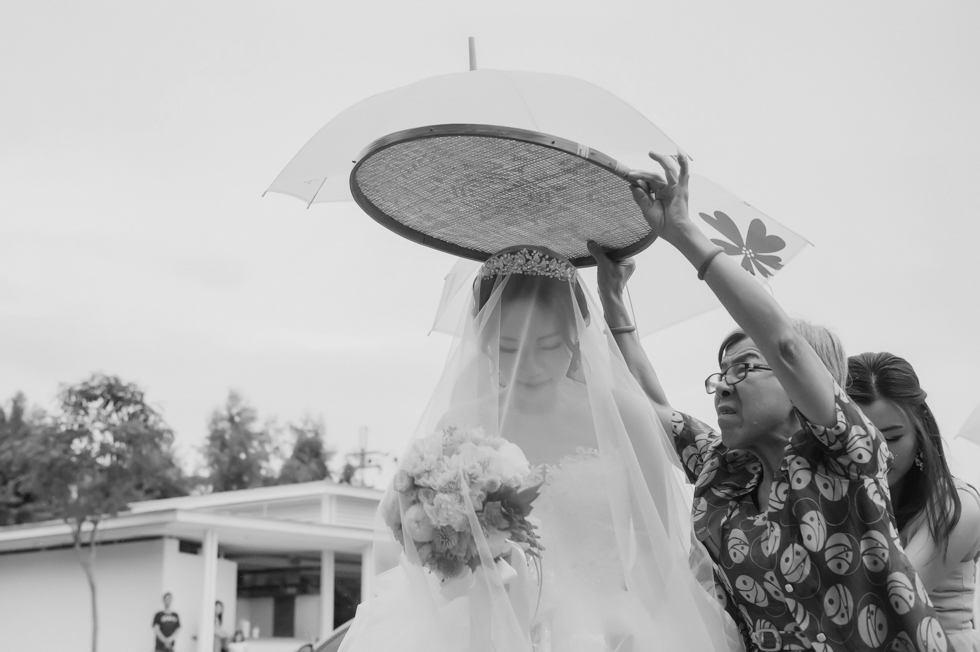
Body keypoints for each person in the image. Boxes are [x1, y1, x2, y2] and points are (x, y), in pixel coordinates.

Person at [591, 151, 953, 651]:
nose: (724, 384)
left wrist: (683, 232)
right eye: (721, 372)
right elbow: (647, 406)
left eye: (744, 368)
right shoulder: (724, 470)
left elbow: (784, 343)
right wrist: (613, 301)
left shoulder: (848, 455)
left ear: (799, 382)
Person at [339, 244, 743, 652]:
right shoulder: (459, 427)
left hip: (610, 629)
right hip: (488, 625)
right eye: (508, 348)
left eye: (549, 345)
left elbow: (658, 549)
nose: (529, 365)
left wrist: (638, 627)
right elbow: (438, 556)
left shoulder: (627, 417)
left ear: (578, 331)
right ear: (483, 338)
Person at [848, 352, 980, 650]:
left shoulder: (956, 504)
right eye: (861, 438)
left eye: (892, 438)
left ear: (921, 433)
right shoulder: (841, 500)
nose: (878, 453)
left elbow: (895, 598)